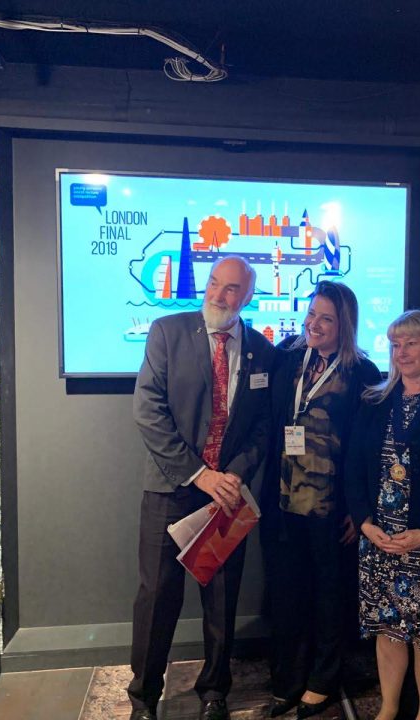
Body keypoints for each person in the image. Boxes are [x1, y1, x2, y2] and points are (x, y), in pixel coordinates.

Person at [127, 256, 275, 720]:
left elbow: (261, 430)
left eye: (231, 289)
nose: (218, 294)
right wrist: (198, 474)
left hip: (227, 493)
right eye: (214, 283)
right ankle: (145, 697)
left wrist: (232, 475)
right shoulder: (167, 332)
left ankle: (215, 691)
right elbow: (148, 410)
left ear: (247, 297)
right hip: (173, 489)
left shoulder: (262, 351)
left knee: (222, 598)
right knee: (157, 598)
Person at [260, 281, 381, 719]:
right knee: (287, 592)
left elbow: (367, 448)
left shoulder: (363, 373)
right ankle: (289, 678)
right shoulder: (288, 360)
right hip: (283, 503)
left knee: (330, 594)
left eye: (326, 318)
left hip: (332, 510)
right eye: (312, 314)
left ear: (344, 324)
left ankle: (324, 679)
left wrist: (357, 508)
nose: (314, 323)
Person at [344, 309, 420, 720]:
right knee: (387, 631)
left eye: (411, 343)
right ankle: (389, 708)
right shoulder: (374, 402)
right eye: (396, 344)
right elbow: (353, 470)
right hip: (379, 541)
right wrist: (364, 524)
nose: (402, 352)